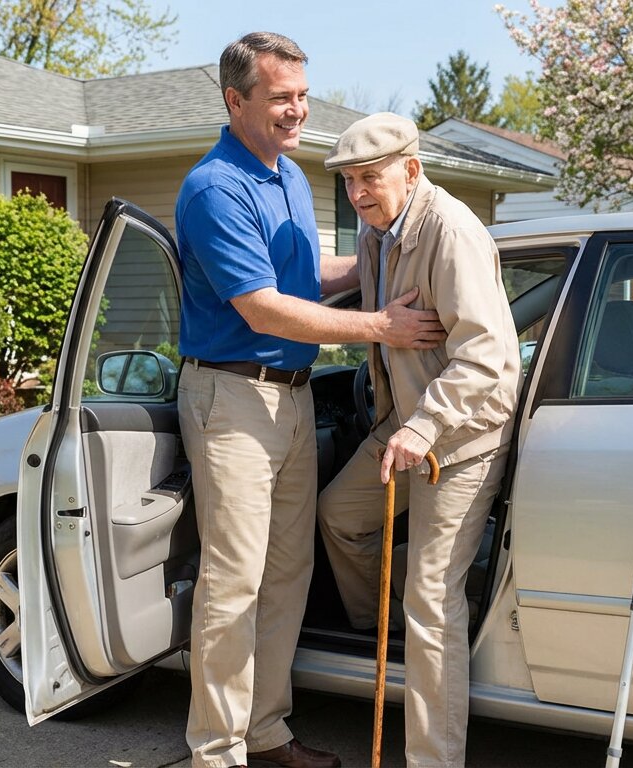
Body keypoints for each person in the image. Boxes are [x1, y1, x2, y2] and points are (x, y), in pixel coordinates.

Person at [174, 34, 445, 768]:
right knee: (232, 582)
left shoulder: (290, 177)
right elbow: (263, 308)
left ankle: (264, 732)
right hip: (230, 398)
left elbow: (302, 275)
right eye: (280, 98)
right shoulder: (213, 188)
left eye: (301, 94)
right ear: (236, 101)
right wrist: (381, 325)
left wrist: (379, 259)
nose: (297, 110)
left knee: (286, 575)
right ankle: (218, 751)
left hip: (292, 400)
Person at [317, 112, 521, 767]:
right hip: (401, 428)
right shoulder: (378, 235)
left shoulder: (451, 231)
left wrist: (423, 426)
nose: (357, 194)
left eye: (368, 178)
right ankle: (376, 630)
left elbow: (487, 358)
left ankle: (433, 758)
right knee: (339, 518)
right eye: (348, 182)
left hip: (460, 439)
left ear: (411, 168)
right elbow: (380, 323)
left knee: (433, 600)